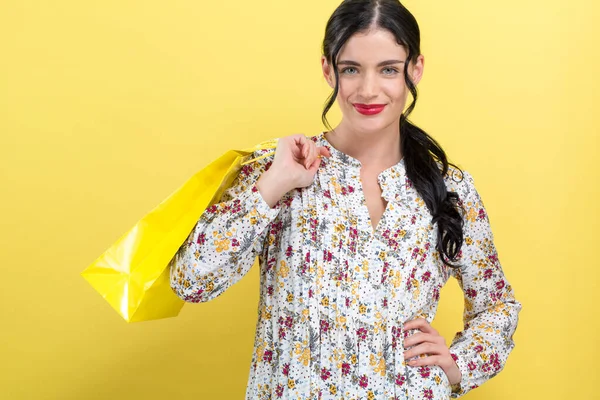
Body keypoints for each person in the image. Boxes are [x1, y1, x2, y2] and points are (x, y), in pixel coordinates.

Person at [169, 0, 522, 398]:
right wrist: (271, 187)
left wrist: (459, 366)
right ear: (327, 69)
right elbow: (190, 281)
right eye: (351, 69)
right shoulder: (282, 168)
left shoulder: (450, 187)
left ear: (415, 69)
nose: (368, 90)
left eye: (388, 69)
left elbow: (497, 306)